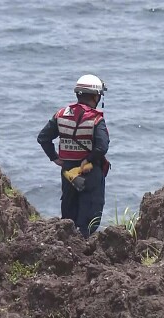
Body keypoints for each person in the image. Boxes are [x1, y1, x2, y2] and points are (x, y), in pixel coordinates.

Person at [37, 74, 110, 238]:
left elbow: (43, 138)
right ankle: (83, 250)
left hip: (68, 172)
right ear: (95, 96)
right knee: (90, 217)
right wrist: (88, 159)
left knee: (69, 215)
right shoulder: (96, 118)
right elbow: (102, 147)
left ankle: (68, 247)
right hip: (89, 172)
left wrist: (54, 157)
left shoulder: (61, 114)